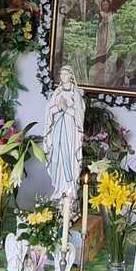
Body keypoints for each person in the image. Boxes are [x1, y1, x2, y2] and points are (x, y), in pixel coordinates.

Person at [42, 65, 85, 206]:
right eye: (61, 74)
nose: (63, 76)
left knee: (68, 156)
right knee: (56, 157)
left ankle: (69, 189)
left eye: (66, 74)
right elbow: (49, 111)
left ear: (71, 76)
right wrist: (57, 108)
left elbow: (79, 115)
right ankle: (58, 189)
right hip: (57, 129)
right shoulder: (58, 91)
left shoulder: (75, 94)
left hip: (70, 131)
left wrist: (66, 108)